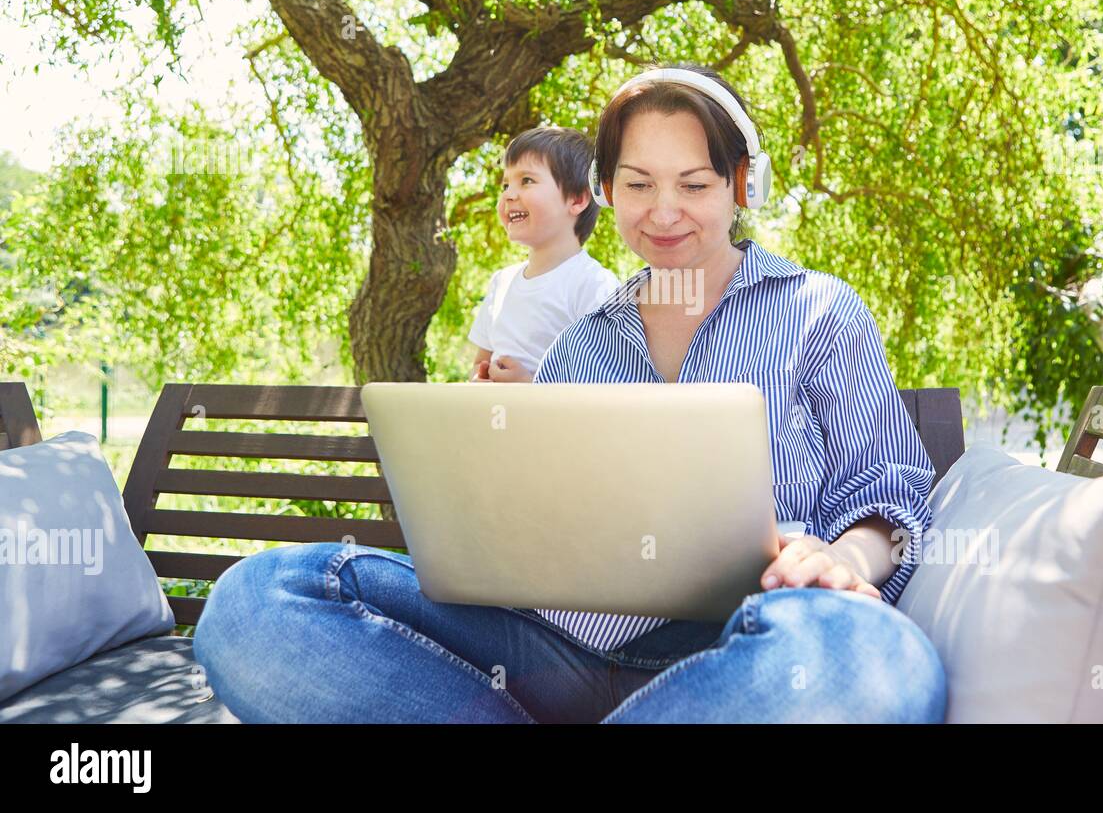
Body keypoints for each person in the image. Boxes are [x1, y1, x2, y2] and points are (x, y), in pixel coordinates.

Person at [192, 63, 948, 723]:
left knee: (879, 660)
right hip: (543, 656)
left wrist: (846, 559)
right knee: (258, 600)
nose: (662, 212)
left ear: (743, 184)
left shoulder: (821, 309)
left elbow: (891, 488)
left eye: (694, 184)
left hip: (745, 651)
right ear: (605, 191)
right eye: (638, 184)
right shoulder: (581, 342)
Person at [466, 126, 619, 383]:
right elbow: (478, 363)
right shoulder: (500, 283)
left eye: (526, 180)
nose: (509, 195)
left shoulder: (593, 286)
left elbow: (601, 385)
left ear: (577, 199)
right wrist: (479, 379)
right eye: (505, 184)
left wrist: (529, 385)